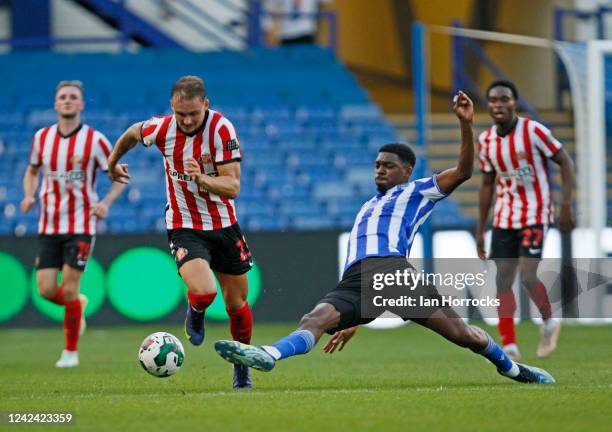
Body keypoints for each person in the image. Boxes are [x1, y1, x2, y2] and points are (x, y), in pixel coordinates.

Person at [214, 91, 555, 385]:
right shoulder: (366, 207)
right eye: (377, 164)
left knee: (463, 335)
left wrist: (465, 123)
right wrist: (358, 318)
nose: (380, 169)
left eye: (388, 165)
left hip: (391, 271)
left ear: (407, 171)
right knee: (314, 319)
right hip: (357, 279)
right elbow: (370, 283)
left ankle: (514, 369)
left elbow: (465, 171)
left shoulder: (417, 191)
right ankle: (269, 353)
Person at [107, 76, 255, 389]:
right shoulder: (162, 129)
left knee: (237, 305)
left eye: (193, 114)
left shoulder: (221, 130)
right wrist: (112, 162)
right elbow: (134, 133)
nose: (186, 121)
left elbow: (233, 186)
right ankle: (196, 309)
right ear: (172, 109)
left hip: (224, 225)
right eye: (180, 114)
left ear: (206, 105)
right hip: (184, 225)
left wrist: (202, 179)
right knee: (204, 292)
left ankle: (241, 368)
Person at [20, 80, 125, 368]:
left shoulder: (95, 140)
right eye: (62, 97)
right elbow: (31, 171)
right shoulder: (42, 138)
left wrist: (105, 203)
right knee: (44, 290)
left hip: (80, 225)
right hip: (48, 224)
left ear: (81, 104)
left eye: (73, 97)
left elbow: (118, 177)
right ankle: (78, 306)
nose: (67, 101)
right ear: (56, 105)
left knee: (68, 289)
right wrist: (29, 194)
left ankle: (70, 352)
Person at [476, 80, 575, 361]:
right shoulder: (485, 141)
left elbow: (565, 161)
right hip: (504, 217)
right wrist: (481, 228)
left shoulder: (533, 131)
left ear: (514, 102)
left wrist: (566, 204)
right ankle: (508, 346)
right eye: (493, 100)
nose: (499, 104)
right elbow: (486, 184)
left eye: (504, 99)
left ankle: (548, 322)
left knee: (529, 276)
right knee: (503, 280)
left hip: (535, 213)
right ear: (489, 105)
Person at [262, 0, 330, 46]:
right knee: (287, 65)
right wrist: (267, 29)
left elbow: (328, 1)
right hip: (286, 34)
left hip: (306, 34)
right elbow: (267, 5)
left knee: (305, 64)